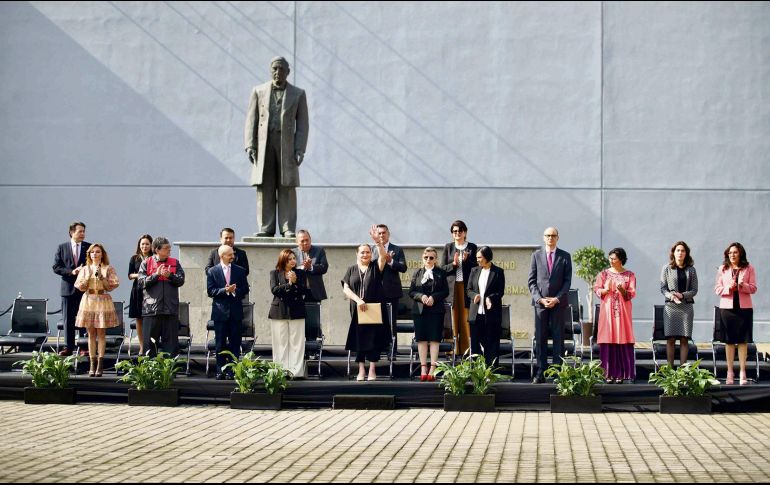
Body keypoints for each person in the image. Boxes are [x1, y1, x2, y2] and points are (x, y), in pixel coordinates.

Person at [244, 56, 309, 238]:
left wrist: (299, 148)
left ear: (288, 72)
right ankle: (266, 227)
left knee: (286, 186)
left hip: (286, 144)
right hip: (264, 144)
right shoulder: (258, 91)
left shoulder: (298, 94)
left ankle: (287, 227)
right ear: (270, 70)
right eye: (274, 68)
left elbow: (303, 124)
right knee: (265, 186)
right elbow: (251, 120)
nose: (277, 72)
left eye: (281, 69)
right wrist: (250, 145)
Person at [528, 227, 572, 384]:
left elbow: (567, 281)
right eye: (547, 235)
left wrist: (557, 298)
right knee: (540, 338)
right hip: (541, 305)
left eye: (553, 235)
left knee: (558, 338)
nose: (550, 238)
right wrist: (540, 299)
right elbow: (531, 281)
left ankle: (557, 372)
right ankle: (540, 371)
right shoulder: (536, 255)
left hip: (558, 304)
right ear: (543, 237)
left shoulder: (565, 256)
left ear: (557, 238)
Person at [342, 242, 388, 381]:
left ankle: (372, 369)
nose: (365, 254)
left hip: (374, 309)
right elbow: (346, 289)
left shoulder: (375, 266)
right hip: (358, 309)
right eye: (362, 252)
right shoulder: (351, 269)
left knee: (374, 338)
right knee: (359, 339)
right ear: (357, 254)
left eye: (368, 252)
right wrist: (358, 300)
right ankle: (361, 369)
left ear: (371, 254)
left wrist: (379, 243)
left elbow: (383, 257)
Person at [74, 243, 120, 377]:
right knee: (91, 334)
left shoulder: (108, 268)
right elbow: (80, 287)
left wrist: (101, 277)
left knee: (101, 334)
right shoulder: (85, 269)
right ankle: (92, 363)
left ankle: (100, 363)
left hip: (102, 300)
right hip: (88, 300)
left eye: (98, 251)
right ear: (89, 254)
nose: (95, 254)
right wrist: (88, 277)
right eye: (92, 252)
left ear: (102, 254)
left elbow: (111, 286)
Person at [714, 242, 757, 385]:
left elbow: (753, 288)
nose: (732, 255)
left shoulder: (749, 268)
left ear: (740, 254)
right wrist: (728, 287)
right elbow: (717, 289)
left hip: (744, 309)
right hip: (727, 310)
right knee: (729, 341)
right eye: (730, 253)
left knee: (743, 341)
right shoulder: (723, 269)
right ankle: (730, 372)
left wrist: (742, 286)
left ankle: (743, 372)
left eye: (735, 252)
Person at [594, 248, 637, 383]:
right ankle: (608, 373)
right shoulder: (603, 274)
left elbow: (631, 294)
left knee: (622, 338)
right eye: (610, 258)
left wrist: (622, 290)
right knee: (608, 338)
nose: (611, 261)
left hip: (623, 313)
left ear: (621, 259)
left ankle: (621, 374)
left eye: (614, 259)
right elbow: (597, 289)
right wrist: (605, 290)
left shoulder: (629, 275)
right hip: (607, 313)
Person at [138, 237, 185, 357]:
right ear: (157, 250)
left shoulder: (175, 263)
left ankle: (169, 368)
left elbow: (181, 280)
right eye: (166, 248)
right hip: (151, 310)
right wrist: (156, 275)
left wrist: (170, 276)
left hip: (170, 310)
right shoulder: (146, 263)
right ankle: (149, 369)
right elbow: (141, 283)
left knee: (171, 347)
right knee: (149, 346)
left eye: (169, 247)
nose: (169, 250)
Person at [208, 245, 250, 379]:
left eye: (233, 254)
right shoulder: (212, 271)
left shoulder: (240, 270)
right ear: (222, 256)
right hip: (220, 313)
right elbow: (211, 291)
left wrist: (235, 291)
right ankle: (220, 370)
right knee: (220, 343)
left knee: (235, 343)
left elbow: (245, 289)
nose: (233, 256)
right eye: (230, 254)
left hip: (235, 312)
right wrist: (225, 290)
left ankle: (233, 371)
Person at [409, 247, 449, 381]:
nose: (428, 260)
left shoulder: (441, 273)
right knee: (421, 339)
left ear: (435, 259)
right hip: (420, 311)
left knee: (434, 339)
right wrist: (421, 296)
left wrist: (433, 297)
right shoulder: (417, 273)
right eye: (426, 257)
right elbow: (411, 292)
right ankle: (423, 367)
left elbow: (445, 291)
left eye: (431, 257)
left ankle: (433, 367)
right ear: (423, 258)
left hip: (436, 310)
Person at [268, 249, 309, 378]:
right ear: (283, 260)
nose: (293, 261)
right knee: (280, 343)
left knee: (297, 343)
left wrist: (295, 282)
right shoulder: (275, 273)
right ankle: (280, 371)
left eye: (294, 258)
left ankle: (295, 372)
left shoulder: (301, 273)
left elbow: (304, 291)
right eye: (289, 259)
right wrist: (289, 284)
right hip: (279, 311)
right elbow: (274, 290)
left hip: (297, 310)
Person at [52, 221, 91, 356]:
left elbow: (94, 265)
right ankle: (68, 347)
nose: (83, 234)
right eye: (80, 231)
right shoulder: (62, 247)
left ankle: (83, 347)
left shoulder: (89, 247)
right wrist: (71, 272)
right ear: (71, 232)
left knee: (83, 318)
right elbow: (56, 267)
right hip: (67, 289)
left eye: (84, 231)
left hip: (84, 290)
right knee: (68, 319)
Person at [440, 220, 478, 355]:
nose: (457, 233)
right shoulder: (448, 247)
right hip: (452, 288)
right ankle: (452, 350)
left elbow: (476, 268)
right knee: (452, 318)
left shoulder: (472, 247)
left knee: (466, 318)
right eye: (455, 231)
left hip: (467, 287)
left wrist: (466, 261)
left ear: (465, 232)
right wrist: (454, 265)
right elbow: (442, 269)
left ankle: (467, 350)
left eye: (460, 231)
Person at [659, 241, 698, 368]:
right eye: (678, 250)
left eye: (683, 250)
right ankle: (670, 369)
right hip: (671, 307)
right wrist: (671, 296)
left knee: (684, 339)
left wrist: (682, 295)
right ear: (673, 253)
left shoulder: (691, 270)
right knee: (670, 339)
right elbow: (663, 288)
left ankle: (682, 370)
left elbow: (694, 290)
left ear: (686, 253)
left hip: (686, 308)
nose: (680, 253)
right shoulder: (666, 268)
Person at [466, 246, 506, 367]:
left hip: (491, 314)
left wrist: (490, 298)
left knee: (491, 343)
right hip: (475, 314)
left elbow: (500, 292)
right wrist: (475, 296)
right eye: (477, 257)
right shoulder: (474, 270)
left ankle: (491, 371)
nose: (477, 260)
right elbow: (468, 290)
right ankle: (476, 371)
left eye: (480, 257)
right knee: (475, 344)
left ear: (487, 257)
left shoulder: (498, 272)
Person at [370, 224, 407, 353]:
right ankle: (378, 349)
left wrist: (391, 261)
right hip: (375, 292)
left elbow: (403, 268)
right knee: (376, 322)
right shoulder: (372, 249)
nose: (381, 235)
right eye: (379, 233)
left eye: (383, 233)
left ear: (388, 234)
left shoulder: (397, 249)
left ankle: (392, 351)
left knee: (391, 322)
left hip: (392, 292)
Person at [128, 234, 153, 355]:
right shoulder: (135, 258)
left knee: (150, 319)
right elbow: (130, 275)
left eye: (147, 244)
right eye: (142, 244)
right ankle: (142, 346)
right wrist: (140, 274)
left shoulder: (154, 258)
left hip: (150, 291)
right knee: (139, 319)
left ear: (151, 245)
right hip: (137, 290)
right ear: (139, 245)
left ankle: (150, 346)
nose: (144, 246)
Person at [292, 229, 328, 303]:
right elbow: (290, 269)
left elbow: (324, 267)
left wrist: (311, 267)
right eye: (302, 241)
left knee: (313, 310)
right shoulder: (292, 253)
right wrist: (303, 267)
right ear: (297, 242)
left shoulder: (319, 250)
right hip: (297, 291)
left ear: (310, 239)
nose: (305, 243)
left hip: (314, 292)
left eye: (307, 240)